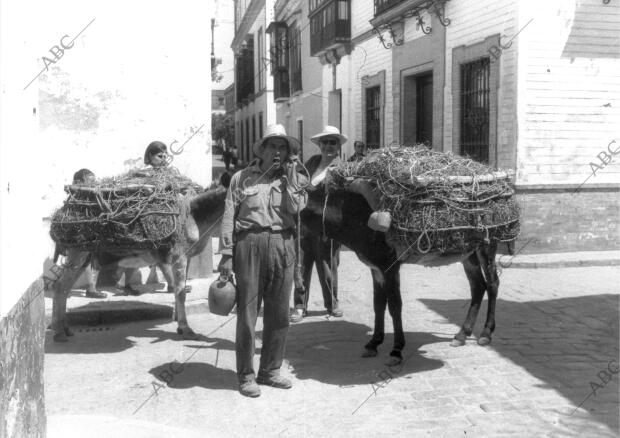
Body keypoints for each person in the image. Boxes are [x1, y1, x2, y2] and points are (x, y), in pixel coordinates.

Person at [219, 124, 307, 398]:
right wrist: (226, 255)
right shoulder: (241, 178)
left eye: (283, 147)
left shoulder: (294, 180)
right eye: (273, 146)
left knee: (279, 313)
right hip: (250, 243)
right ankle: (245, 375)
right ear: (263, 149)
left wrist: (292, 179)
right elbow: (229, 216)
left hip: (283, 244)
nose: (278, 152)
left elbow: (296, 210)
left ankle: (270, 371)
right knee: (247, 313)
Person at [291, 126, 347, 323]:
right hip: (304, 222)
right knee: (301, 265)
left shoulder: (340, 169)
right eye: (325, 142)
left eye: (333, 142)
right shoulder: (313, 161)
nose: (328, 146)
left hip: (326, 225)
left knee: (327, 266)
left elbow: (342, 199)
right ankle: (299, 306)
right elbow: (298, 177)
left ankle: (332, 305)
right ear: (320, 145)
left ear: (338, 146)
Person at [54, 169, 107, 299]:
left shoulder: (88, 196)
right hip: (79, 237)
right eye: (91, 180)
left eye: (94, 180)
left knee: (88, 262)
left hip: (88, 235)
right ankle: (61, 290)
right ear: (79, 182)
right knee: (74, 264)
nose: (94, 183)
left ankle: (91, 289)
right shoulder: (77, 196)